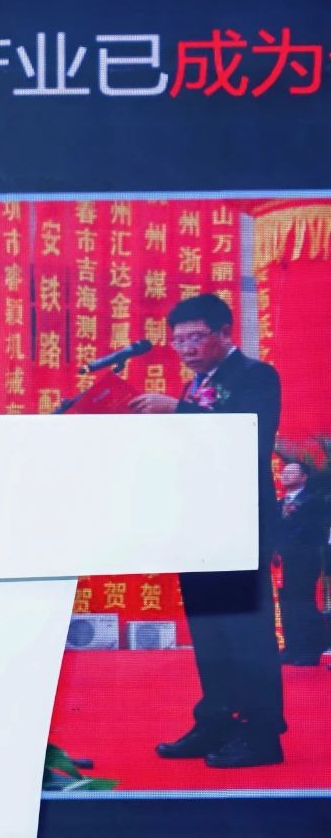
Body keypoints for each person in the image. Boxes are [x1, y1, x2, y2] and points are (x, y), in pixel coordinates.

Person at [130, 293, 285, 768]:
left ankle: (261, 733)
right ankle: (216, 719)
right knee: (210, 631)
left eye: (196, 337)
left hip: (240, 523)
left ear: (224, 333)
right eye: (178, 340)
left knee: (245, 631)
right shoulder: (197, 386)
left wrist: (177, 412)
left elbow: (250, 438)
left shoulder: (256, 376)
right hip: (199, 524)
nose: (186, 348)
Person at [275, 462, 329, 665]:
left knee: (303, 603)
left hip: (305, 560)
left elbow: (316, 531)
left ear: (304, 477)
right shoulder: (279, 504)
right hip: (283, 562)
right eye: (284, 472)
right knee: (287, 604)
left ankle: (310, 650)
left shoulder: (314, 501)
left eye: (291, 472)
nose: (285, 475)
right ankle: (292, 648)